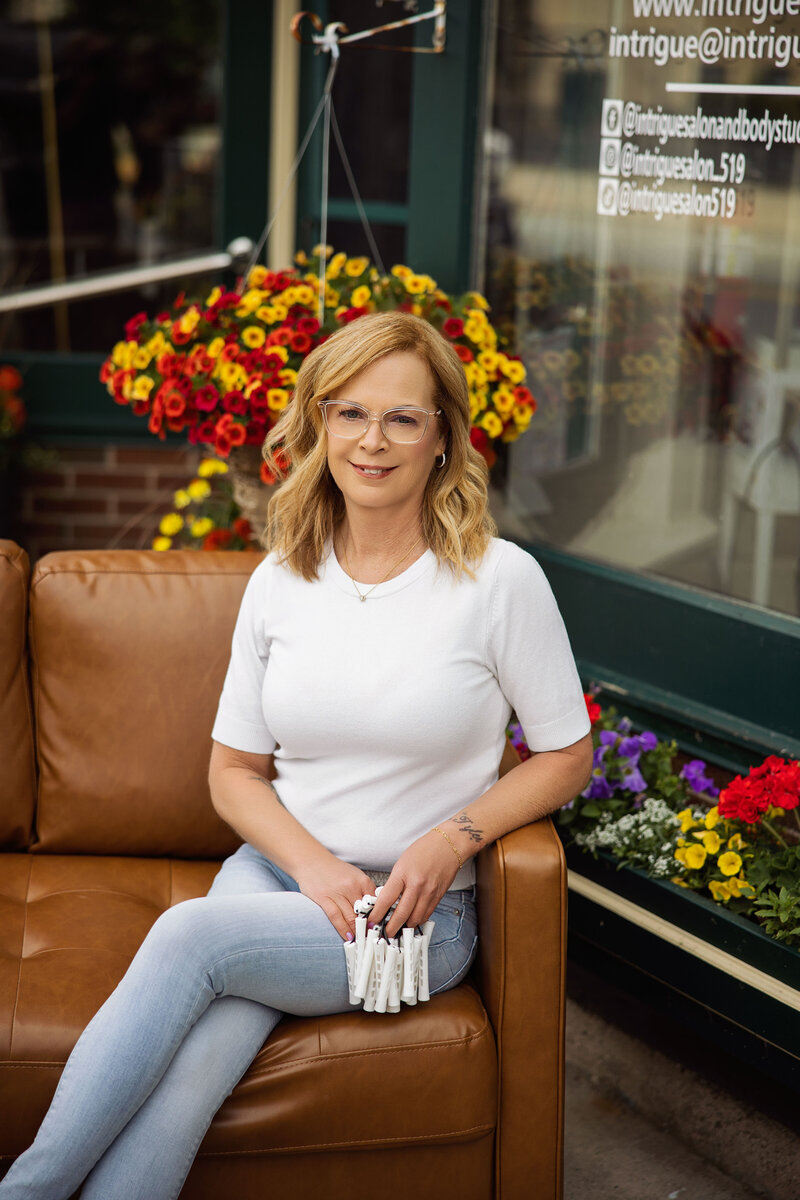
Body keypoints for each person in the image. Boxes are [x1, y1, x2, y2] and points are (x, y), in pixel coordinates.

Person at [0, 310, 592, 1199]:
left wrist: (451, 838)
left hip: (411, 920)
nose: (371, 440)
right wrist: (311, 867)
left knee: (188, 937)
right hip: (278, 878)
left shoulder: (499, 579)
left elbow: (567, 756)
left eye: (402, 417)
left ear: (443, 438)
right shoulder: (284, 577)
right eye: (348, 413)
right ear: (319, 424)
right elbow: (231, 773)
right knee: (195, 1070)